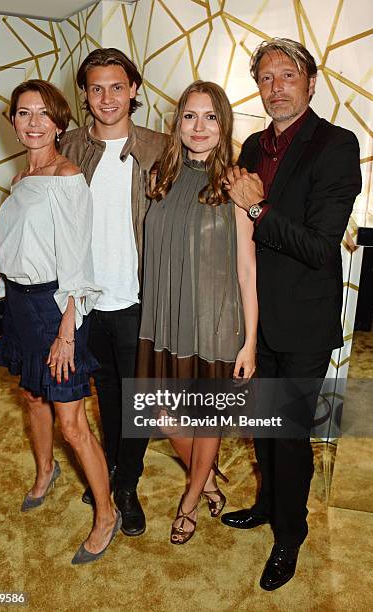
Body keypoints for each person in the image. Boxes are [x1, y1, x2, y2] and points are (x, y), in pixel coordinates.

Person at [221, 38, 362, 590]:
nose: (275, 87)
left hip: (304, 320)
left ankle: (290, 532)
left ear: (310, 82)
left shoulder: (336, 144)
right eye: (265, 78)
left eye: (287, 75)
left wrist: (257, 205)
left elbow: (320, 247)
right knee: (261, 426)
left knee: (290, 433)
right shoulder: (253, 143)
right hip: (255, 319)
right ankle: (267, 504)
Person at [0, 79, 121, 565]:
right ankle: (46, 471)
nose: (33, 123)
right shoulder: (21, 181)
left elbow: (77, 264)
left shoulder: (67, 178)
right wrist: (5, 301)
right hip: (20, 306)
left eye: (44, 114)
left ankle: (106, 515)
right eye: (24, 113)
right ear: (14, 121)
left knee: (72, 421)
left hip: (56, 308)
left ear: (60, 123)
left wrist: (67, 332)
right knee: (31, 394)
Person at [136, 80, 258, 544]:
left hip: (215, 320)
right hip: (165, 317)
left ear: (223, 124)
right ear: (178, 122)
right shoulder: (160, 176)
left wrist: (248, 341)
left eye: (210, 117)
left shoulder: (237, 184)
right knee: (161, 411)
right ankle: (204, 476)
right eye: (190, 116)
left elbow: (248, 271)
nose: (199, 126)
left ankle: (189, 501)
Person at [59, 49, 168, 536]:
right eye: (96, 88)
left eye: (117, 87)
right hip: (85, 300)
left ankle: (127, 483)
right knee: (106, 393)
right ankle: (110, 473)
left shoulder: (162, 146)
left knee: (138, 399)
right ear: (84, 94)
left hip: (136, 298)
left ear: (135, 90)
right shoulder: (70, 145)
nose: (107, 97)